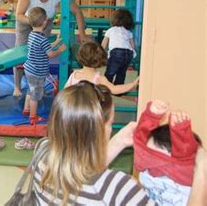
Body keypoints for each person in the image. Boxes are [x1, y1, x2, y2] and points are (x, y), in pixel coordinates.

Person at [29, 81, 206, 205]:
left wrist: (118, 142)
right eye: (111, 123)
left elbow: (81, 176)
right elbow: (96, 184)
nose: (111, 129)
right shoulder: (114, 187)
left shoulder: (42, 153)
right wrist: (202, 173)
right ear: (97, 132)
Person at [13, 0, 89, 97]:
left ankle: (38, 86)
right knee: (21, 54)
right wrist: (34, 24)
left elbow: (77, 11)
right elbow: (19, 15)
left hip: (45, 23)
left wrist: (82, 34)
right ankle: (17, 86)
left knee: (42, 53)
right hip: (26, 22)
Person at [134, 100, 201, 205]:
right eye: (148, 155)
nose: (148, 161)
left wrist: (181, 130)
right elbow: (140, 143)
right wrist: (151, 116)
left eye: (155, 157)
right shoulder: (147, 169)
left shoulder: (185, 175)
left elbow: (186, 154)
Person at [23, 7, 66, 125]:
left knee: (30, 89)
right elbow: (50, 54)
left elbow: (45, 47)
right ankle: (33, 116)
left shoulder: (32, 35)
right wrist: (60, 50)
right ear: (44, 22)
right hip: (37, 72)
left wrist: (56, 43)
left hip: (29, 69)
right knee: (35, 95)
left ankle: (26, 109)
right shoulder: (42, 39)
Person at [65, 41, 139, 95]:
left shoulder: (74, 74)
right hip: (91, 112)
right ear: (100, 59)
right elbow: (114, 89)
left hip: (74, 112)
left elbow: (65, 92)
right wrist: (133, 84)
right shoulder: (99, 78)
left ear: (80, 56)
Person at [101, 9, 137, 84]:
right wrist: (133, 55)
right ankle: (119, 91)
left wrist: (101, 53)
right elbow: (133, 46)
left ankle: (106, 88)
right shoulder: (128, 32)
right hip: (128, 53)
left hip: (116, 53)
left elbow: (103, 44)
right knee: (121, 73)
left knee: (110, 72)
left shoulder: (111, 30)